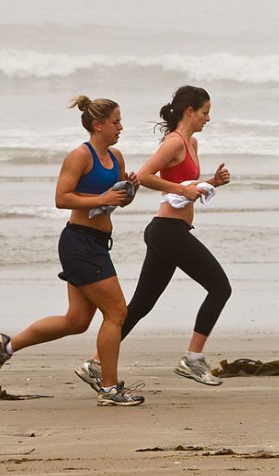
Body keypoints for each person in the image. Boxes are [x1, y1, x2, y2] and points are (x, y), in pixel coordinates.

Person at [0, 95, 144, 407]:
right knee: (117, 312)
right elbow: (62, 198)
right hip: (78, 243)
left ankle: (6, 346)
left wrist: (129, 193)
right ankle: (110, 389)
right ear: (98, 125)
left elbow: (114, 203)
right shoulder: (79, 156)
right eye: (115, 122)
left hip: (97, 243)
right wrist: (101, 199)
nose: (121, 127)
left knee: (76, 321)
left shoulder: (117, 158)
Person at [75, 85, 232, 390]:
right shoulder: (174, 142)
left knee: (142, 304)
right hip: (168, 232)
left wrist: (211, 182)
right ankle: (193, 359)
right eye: (204, 112)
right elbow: (144, 175)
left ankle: (94, 362)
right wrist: (182, 190)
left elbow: (183, 182)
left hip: (168, 232)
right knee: (220, 287)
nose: (207, 119)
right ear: (189, 111)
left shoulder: (192, 143)